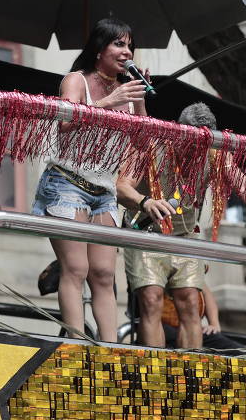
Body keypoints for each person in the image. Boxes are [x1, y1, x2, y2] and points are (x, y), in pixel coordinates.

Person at [118, 103, 246, 348]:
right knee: (151, 300)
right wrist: (145, 202)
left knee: (191, 302)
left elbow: (241, 183)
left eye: (205, 145)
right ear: (180, 132)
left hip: (186, 236)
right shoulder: (153, 143)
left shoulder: (215, 153)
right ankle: (155, 371)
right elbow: (122, 187)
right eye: (193, 144)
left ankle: (190, 371)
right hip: (146, 233)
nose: (197, 152)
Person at [31, 18, 148, 342]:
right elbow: (65, 123)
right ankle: (75, 341)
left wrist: (137, 97)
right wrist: (108, 102)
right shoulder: (76, 80)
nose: (127, 52)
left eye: (130, 46)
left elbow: (142, 136)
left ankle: (110, 348)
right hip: (66, 182)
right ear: (99, 49)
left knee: (104, 273)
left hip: (104, 190)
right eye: (119, 44)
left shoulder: (127, 90)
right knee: (76, 269)